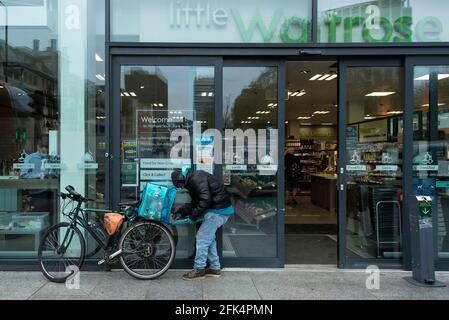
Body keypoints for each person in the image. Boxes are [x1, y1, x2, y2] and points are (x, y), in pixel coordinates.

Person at [171, 166, 234, 281]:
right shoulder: (193, 179)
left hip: (217, 211)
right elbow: (196, 202)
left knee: (202, 238)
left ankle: (199, 269)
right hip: (219, 209)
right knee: (209, 239)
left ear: (181, 179)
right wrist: (181, 212)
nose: (182, 187)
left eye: (180, 185)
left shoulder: (196, 179)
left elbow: (205, 201)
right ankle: (215, 268)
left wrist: (192, 217)